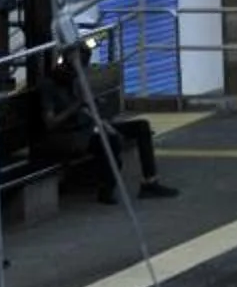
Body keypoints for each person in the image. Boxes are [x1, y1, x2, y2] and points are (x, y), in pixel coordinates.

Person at [38, 45, 179, 203]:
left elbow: (86, 109)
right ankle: (107, 188)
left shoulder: (73, 82)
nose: (77, 74)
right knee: (110, 141)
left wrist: (96, 111)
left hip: (87, 127)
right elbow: (51, 123)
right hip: (70, 134)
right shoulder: (49, 85)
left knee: (141, 126)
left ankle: (150, 181)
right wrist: (77, 106)